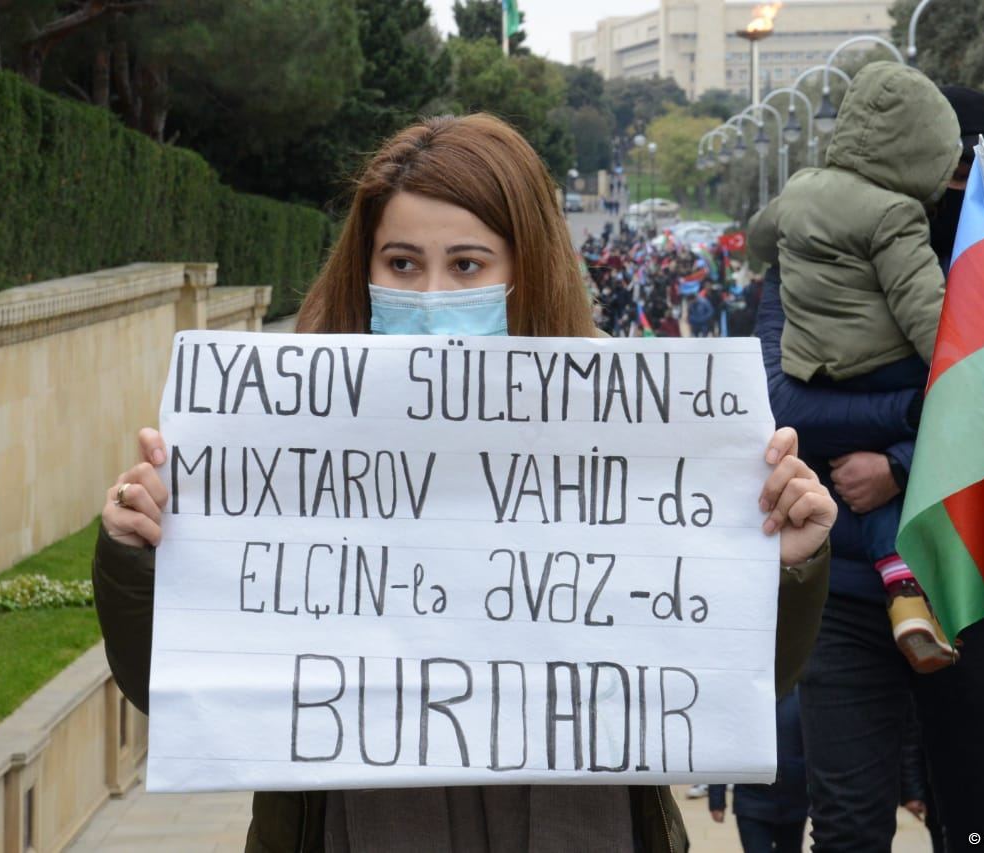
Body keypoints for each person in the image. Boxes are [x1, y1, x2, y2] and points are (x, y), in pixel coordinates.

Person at [92, 113, 838, 853]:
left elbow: (729, 685)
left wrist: (788, 563)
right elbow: (175, 684)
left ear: (527, 267)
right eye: (404, 264)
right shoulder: (282, 439)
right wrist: (135, 553)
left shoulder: (635, 431)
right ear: (367, 267)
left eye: (469, 265)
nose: (433, 292)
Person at [753, 85, 984, 851]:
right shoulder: (812, 255)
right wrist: (929, 414)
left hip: (974, 579)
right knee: (847, 822)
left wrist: (901, 465)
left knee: (983, 817)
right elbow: (781, 401)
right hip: (844, 598)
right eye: (967, 170)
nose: (979, 192)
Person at [750, 62, 962, 673]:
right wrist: (957, 372)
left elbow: (759, 239)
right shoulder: (896, 214)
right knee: (910, 430)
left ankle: (897, 577)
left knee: (852, 469)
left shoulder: (800, 189)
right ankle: (905, 574)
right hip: (882, 367)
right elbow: (928, 310)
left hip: (812, 366)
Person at [708, 691, 809, 853]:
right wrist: (716, 799)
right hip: (752, 803)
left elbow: (816, 749)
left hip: (795, 805)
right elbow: (724, 747)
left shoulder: (802, 698)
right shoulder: (742, 700)